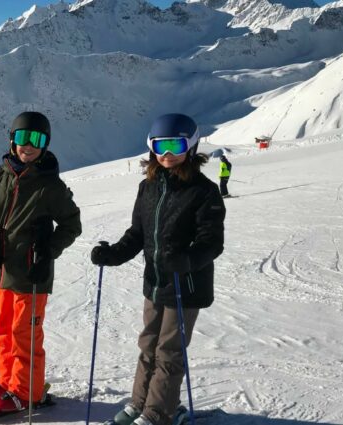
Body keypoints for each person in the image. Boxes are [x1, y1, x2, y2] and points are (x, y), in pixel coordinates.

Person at [90, 113, 225, 425]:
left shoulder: (204, 192)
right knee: (148, 345)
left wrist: (187, 261)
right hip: (155, 282)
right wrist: (113, 254)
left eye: (175, 146)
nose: (167, 154)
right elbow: (137, 234)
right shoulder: (147, 187)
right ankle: (140, 404)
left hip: (186, 287)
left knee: (169, 350)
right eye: (160, 145)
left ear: (190, 147)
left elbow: (211, 243)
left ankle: (158, 413)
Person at [0, 111, 82, 413]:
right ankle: (9, 381)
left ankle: (27, 392)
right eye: (23, 137)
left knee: (25, 335)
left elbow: (72, 225)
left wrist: (48, 250)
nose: (29, 145)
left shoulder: (51, 187)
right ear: (12, 140)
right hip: (3, 271)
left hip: (32, 274)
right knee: (4, 330)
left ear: (45, 144)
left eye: (37, 139)